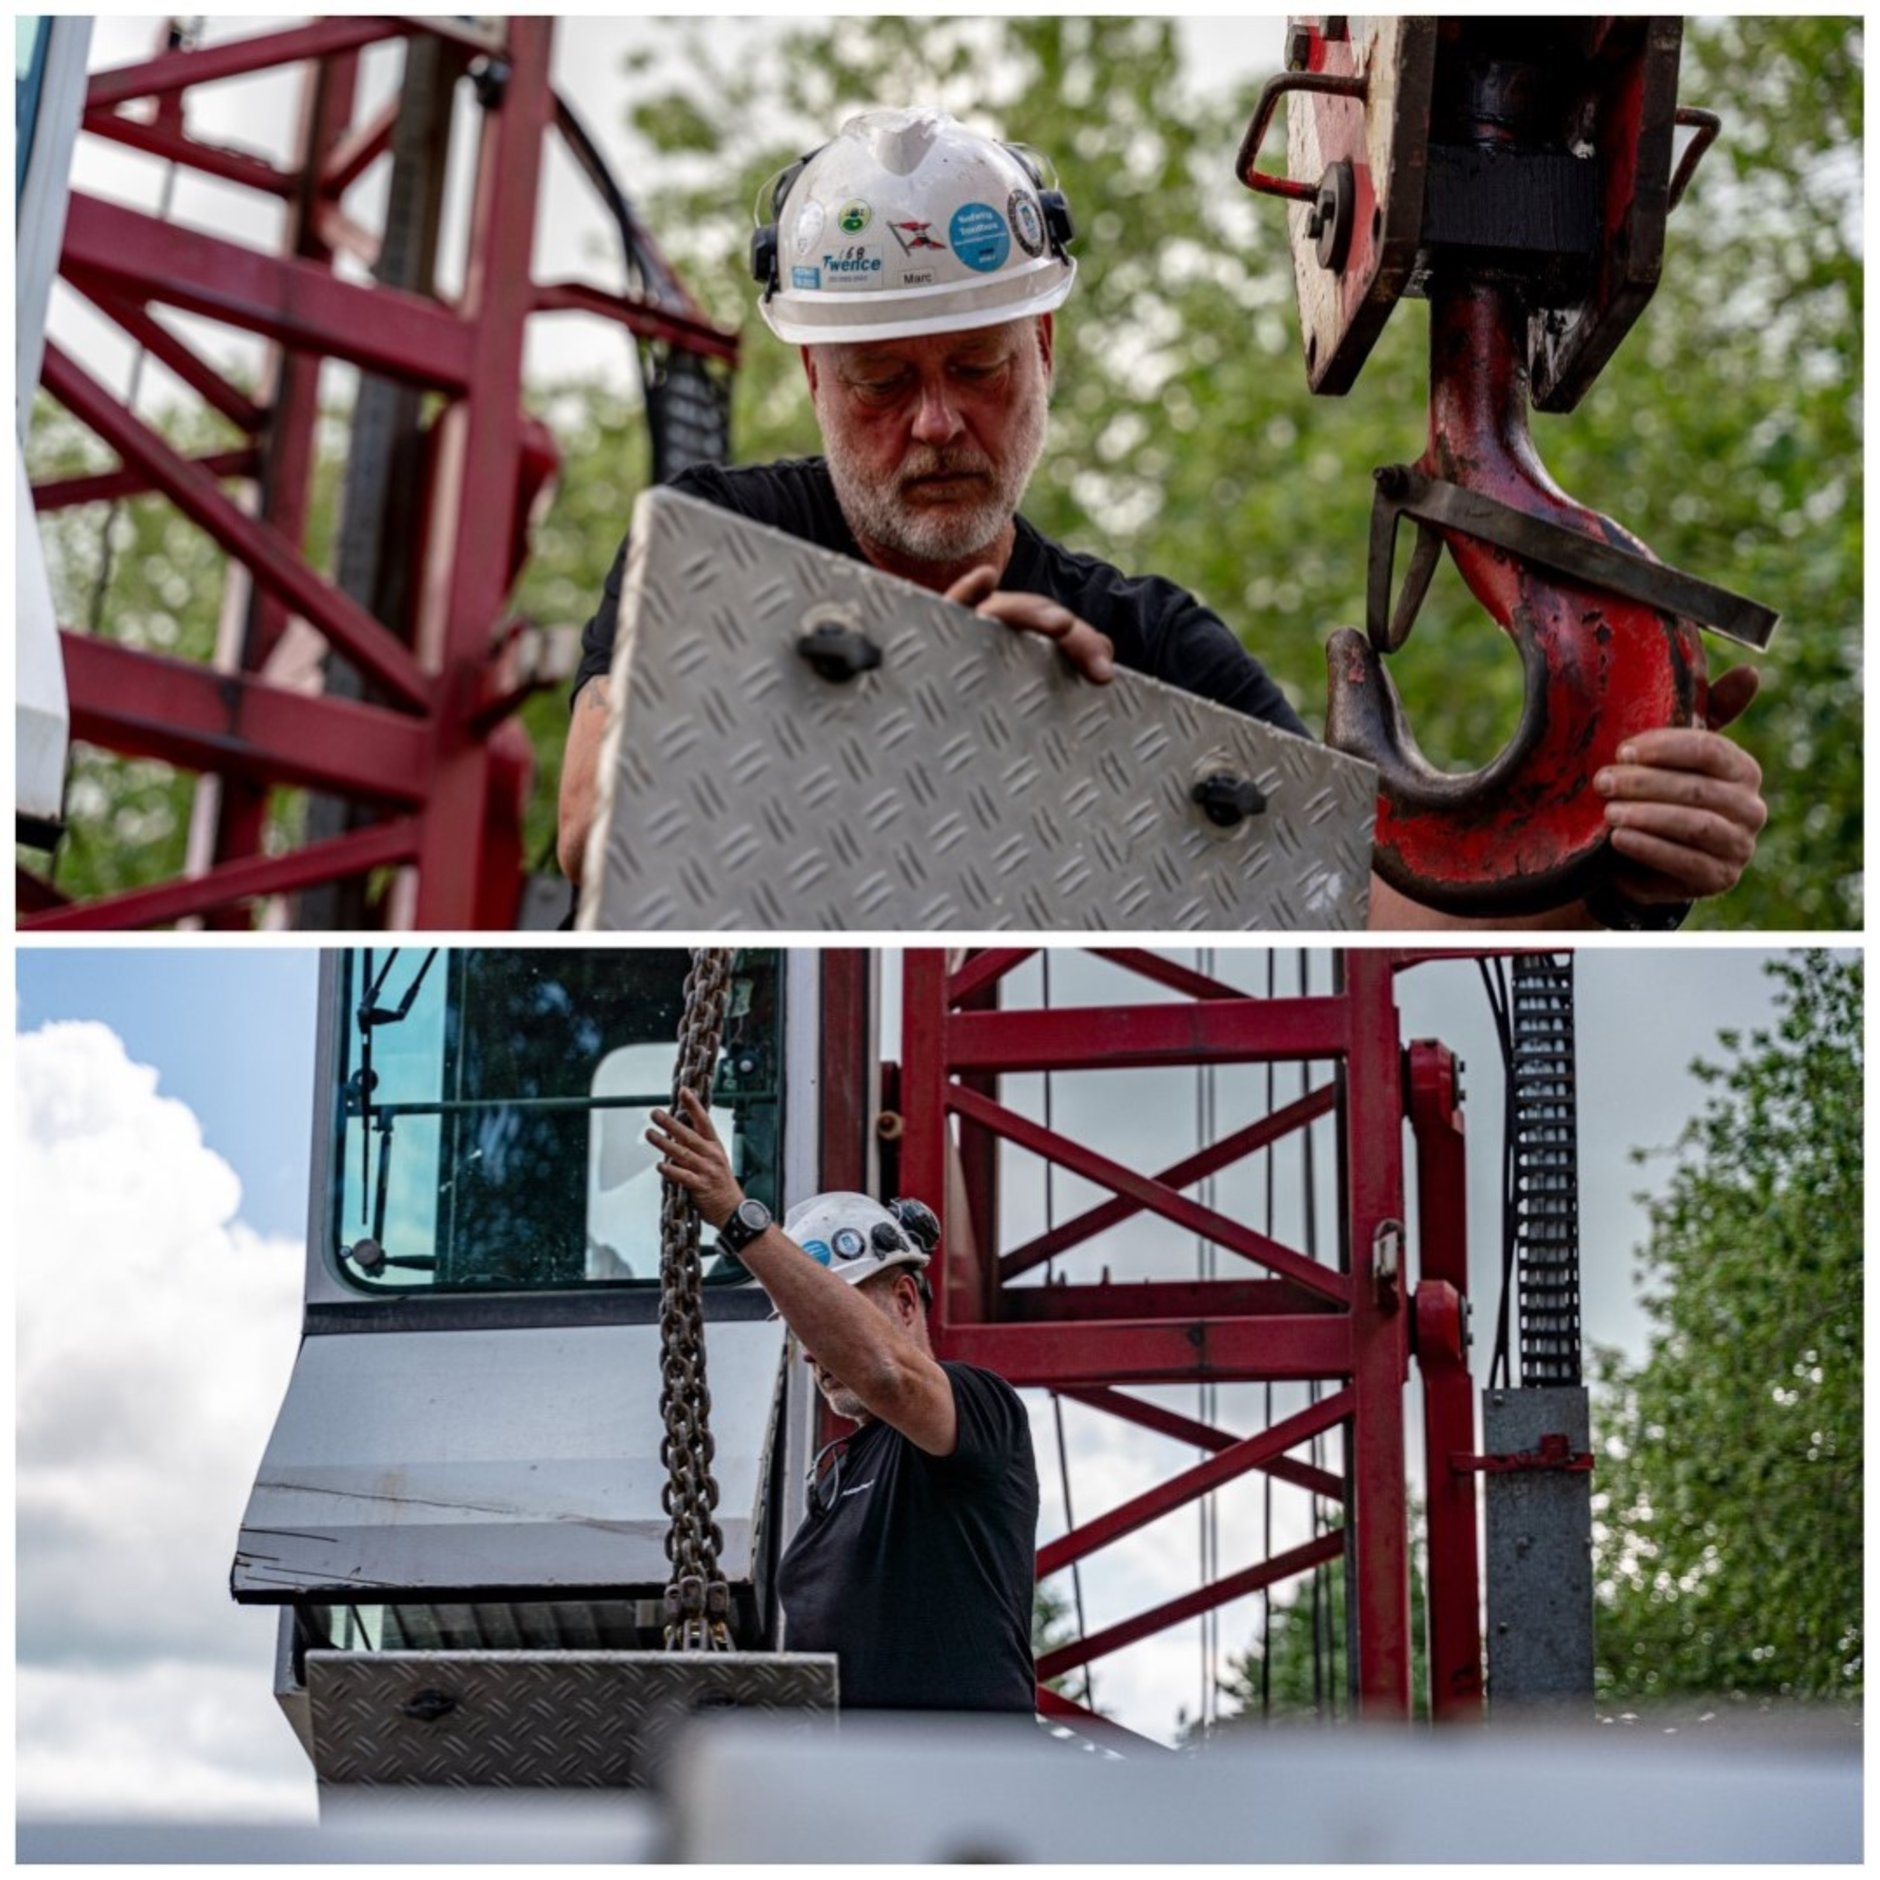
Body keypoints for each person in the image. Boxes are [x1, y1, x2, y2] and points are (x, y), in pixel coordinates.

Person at [559, 107, 1768, 930]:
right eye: (880, 386)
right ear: (816, 380)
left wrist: (1613, 862)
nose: (933, 424)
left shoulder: (1158, 652)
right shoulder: (716, 541)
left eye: (977, 370)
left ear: (1042, 353)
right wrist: (944, 708)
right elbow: (594, 820)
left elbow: (1362, 922)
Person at [647, 1088, 1040, 1714]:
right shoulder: (838, 1477)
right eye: (800, 1330)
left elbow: (890, 1375)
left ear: (906, 1301)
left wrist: (739, 1218)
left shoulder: (983, 1412)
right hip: (858, 1789)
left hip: (965, 1784)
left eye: (826, 1324)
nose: (809, 1352)